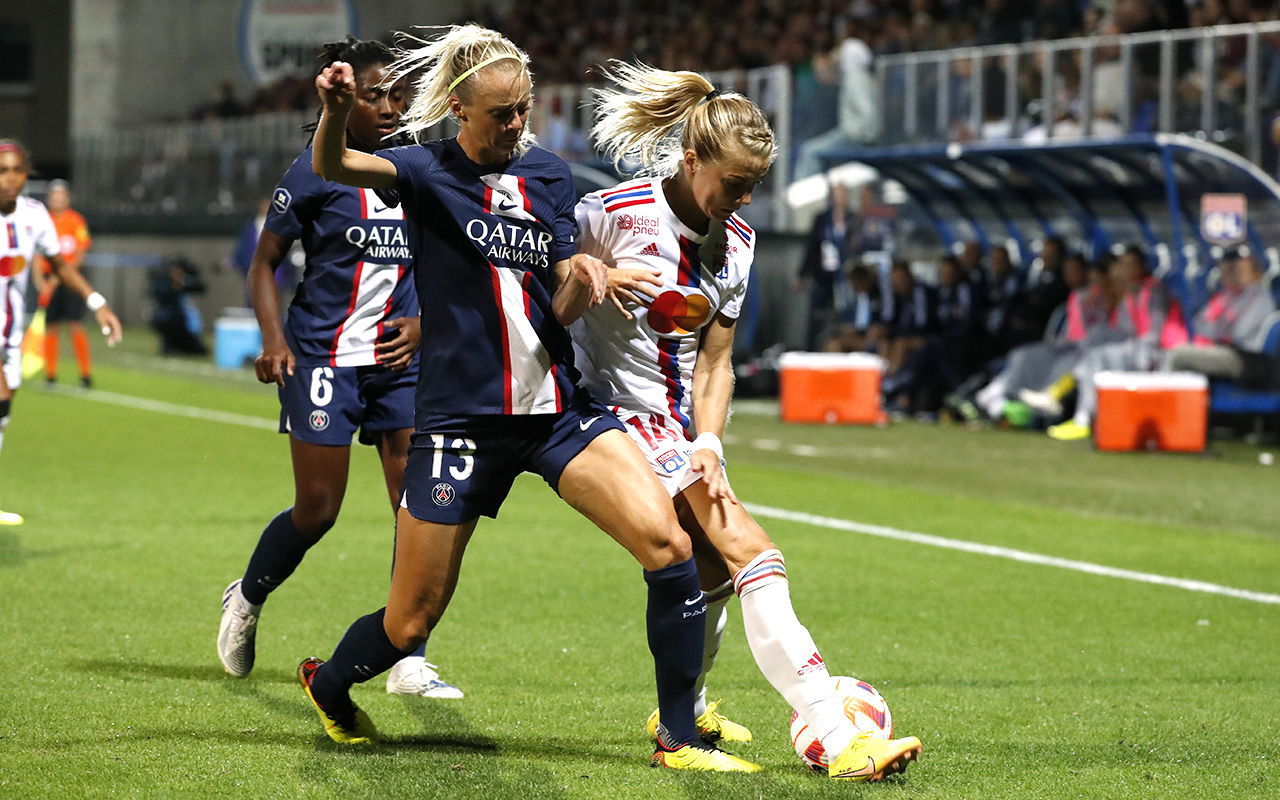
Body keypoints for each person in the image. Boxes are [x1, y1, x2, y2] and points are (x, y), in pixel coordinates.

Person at [296, 25, 753, 772]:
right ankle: (332, 683)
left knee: (668, 545)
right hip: (459, 423)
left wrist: (582, 275)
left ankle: (679, 733)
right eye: (502, 113)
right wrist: (337, 111)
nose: (516, 125)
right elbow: (334, 163)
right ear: (457, 109)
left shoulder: (548, 176)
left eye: (523, 109)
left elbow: (556, 296)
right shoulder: (421, 169)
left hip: (555, 413)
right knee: (409, 625)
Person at [573, 60, 922, 782]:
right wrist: (583, 275)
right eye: (734, 183)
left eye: (754, 186)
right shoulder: (610, 215)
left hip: (674, 424)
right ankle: (836, 733)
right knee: (752, 549)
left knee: (711, 569)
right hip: (607, 414)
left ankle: (687, 709)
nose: (744, 199)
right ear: (691, 160)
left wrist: (709, 441)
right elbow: (546, 293)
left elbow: (716, 361)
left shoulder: (736, 242)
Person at [216, 37, 461, 701]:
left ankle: (408, 656)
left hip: (400, 366)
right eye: (373, 95)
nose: (388, 106)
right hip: (324, 356)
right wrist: (274, 338)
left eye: (395, 95)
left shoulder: (424, 171)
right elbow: (262, 263)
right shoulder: (313, 173)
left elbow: (455, 267)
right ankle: (247, 595)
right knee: (319, 510)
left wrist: (424, 325)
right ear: (344, 101)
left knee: (418, 512)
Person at [0, 140, 123, 524]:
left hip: (11, 336)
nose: (10, 178)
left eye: (17, 170)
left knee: (3, 412)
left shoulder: (35, 216)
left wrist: (96, 302)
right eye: (2, 170)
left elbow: (62, 265)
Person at [1041, 245, 1188, 441]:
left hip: (1156, 353)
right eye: (1122, 265)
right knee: (1094, 352)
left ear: (1141, 266)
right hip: (1133, 350)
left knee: (1099, 356)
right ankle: (1075, 410)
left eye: (1130, 265)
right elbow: (1119, 329)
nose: (1125, 270)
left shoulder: (1153, 291)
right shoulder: (1129, 294)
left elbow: (1153, 334)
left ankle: (1072, 408)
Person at [1162, 249, 1277, 384]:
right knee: (1175, 351)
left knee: (1178, 357)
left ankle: (1173, 403)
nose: (1231, 275)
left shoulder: (1261, 297)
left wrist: (1217, 328)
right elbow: (1199, 324)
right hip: (1229, 351)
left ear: (1256, 272)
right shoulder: (1230, 295)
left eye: (1239, 270)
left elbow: (1237, 333)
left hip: (1250, 359)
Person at [36, 180, 95, 388]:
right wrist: (41, 282)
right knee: (50, 326)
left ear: (67, 198)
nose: (58, 199)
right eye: (54, 195)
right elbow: (37, 255)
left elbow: (80, 253)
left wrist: (60, 277)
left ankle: (85, 375)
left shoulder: (76, 221)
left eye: (61, 195)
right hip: (49, 280)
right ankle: (50, 375)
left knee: (74, 324)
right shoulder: (43, 221)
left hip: (70, 281)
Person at [795, 180, 857, 350]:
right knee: (817, 314)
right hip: (823, 275)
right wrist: (801, 275)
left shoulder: (853, 219)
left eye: (843, 194)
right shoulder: (822, 219)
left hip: (845, 275)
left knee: (844, 313)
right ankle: (811, 349)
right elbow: (811, 247)